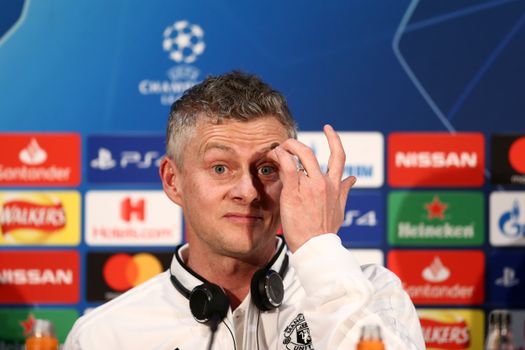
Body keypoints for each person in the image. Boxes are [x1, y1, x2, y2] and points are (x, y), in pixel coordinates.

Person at [65, 71, 425, 349]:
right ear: (172, 181)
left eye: (267, 169)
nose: (247, 191)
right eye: (220, 168)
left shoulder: (375, 294)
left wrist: (320, 249)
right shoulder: (106, 335)